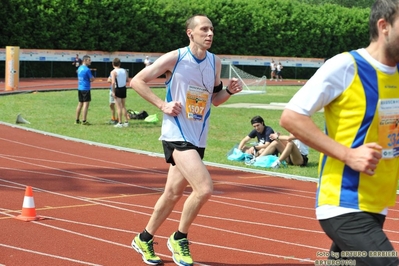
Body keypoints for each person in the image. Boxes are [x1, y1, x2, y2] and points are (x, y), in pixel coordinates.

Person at [280, 1, 399, 265]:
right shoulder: (347, 66)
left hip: (376, 203)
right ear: (384, 27)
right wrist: (348, 154)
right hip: (344, 203)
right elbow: (292, 116)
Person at [129, 14, 242, 266]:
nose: (210, 33)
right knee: (204, 188)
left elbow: (214, 99)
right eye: (204, 29)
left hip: (198, 136)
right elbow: (137, 81)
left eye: (212, 29)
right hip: (177, 134)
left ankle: (143, 238)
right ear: (190, 33)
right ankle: (179, 238)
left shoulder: (215, 62)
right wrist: (162, 104)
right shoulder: (175, 58)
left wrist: (229, 92)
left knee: (171, 193)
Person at [110, 58, 129, 128]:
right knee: (123, 106)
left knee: (118, 107)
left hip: (118, 88)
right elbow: (127, 79)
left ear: (113, 64)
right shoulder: (124, 70)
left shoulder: (113, 72)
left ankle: (120, 122)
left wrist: (113, 91)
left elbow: (113, 82)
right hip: (124, 88)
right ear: (120, 64)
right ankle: (126, 121)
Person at [75, 55, 94, 125]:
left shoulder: (79, 68)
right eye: (89, 60)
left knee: (80, 103)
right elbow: (91, 79)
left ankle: (77, 119)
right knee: (86, 104)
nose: (90, 61)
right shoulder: (87, 69)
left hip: (80, 87)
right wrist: (93, 78)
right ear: (85, 60)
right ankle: (84, 120)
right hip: (86, 88)